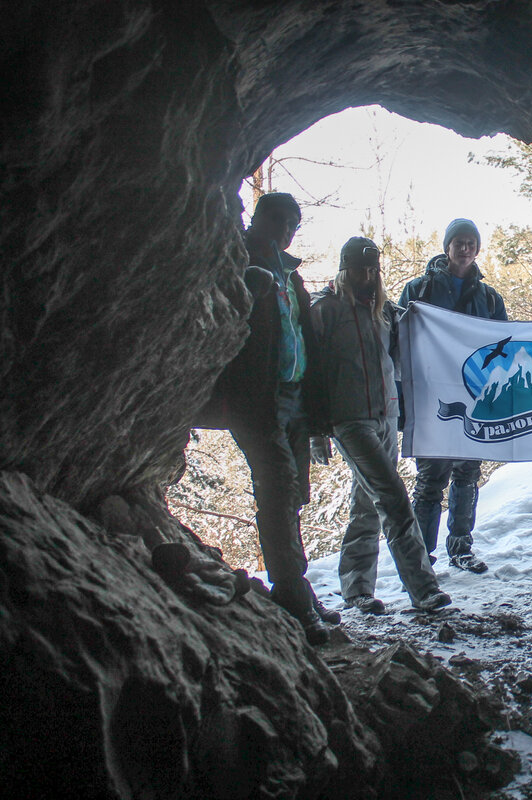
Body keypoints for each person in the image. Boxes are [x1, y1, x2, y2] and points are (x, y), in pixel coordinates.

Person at [196, 192, 335, 645]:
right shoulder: (234, 258)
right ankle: (292, 595)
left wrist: (316, 415)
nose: (285, 229)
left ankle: (297, 584)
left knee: (292, 494)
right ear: (257, 219)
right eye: (277, 219)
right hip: (254, 398)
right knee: (277, 487)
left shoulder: (291, 276)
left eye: (293, 222)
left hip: (292, 397)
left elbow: (303, 340)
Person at [307, 237, 453, 614]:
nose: (368, 276)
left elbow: (408, 353)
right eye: (360, 268)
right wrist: (314, 429)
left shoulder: (385, 311)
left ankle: (356, 589)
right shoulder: (324, 309)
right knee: (393, 498)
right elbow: (310, 370)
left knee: (367, 504)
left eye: (373, 269)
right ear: (344, 269)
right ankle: (423, 589)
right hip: (348, 419)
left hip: (385, 416)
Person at [397, 218, 507, 573]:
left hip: (476, 399)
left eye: (470, 242)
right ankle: (421, 556)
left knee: (466, 475)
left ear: (477, 249)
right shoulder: (418, 290)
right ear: (447, 247)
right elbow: (398, 343)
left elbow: (504, 347)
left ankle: (461, 548)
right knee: (431, 479)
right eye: (458, 241)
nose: (464, 248)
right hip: (432, 400)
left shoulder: (490, 297)